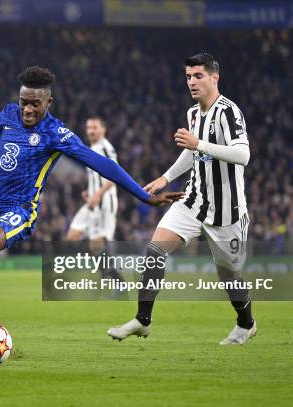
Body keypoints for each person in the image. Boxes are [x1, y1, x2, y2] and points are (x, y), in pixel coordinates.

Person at [0, 66, 183, 360]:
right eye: (24, 102)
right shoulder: (9, 114)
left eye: (35, 103)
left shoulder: (57, 134)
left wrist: (144, 195)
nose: (28, 109)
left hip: (20, 208)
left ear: (49, 103)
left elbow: (101, 163)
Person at [107, 53, 254, 345]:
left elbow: (243, 155)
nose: (192, 82)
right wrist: (166, 177)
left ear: (215, 77)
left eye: (198, 76)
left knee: (230, 277)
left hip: (227, 212)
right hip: (192, 200)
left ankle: (246, 323)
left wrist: (199, 143)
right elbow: (191, 151)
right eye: (188, 76)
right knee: (154, 251)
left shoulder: (228, 112)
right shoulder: (193, 113)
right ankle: (142, 320)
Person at [66, 117, 125, 289]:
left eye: (94, 127)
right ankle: (108, 274)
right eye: (88, 127)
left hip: (104, 203)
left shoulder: (106, 148)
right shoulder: (93, 148)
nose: (91, 131)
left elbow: (115, 175)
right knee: (72, 237)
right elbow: (96, 177)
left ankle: (117, 283)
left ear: (103, 130)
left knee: (96, 244)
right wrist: (89, 192)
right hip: (92, 201)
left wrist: (97, 195)